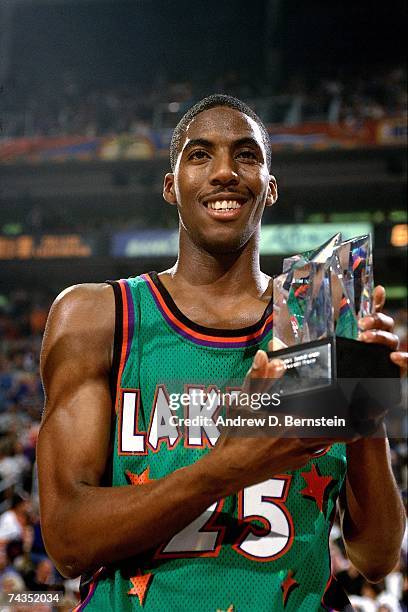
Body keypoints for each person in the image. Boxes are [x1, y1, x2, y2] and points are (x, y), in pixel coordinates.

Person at [37, 95, 406, 611]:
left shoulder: (319, 320)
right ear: (171, 185)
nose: (226, 172)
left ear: (270, 188)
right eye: (200, 154)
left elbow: (376, 555)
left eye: (248, 156)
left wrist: (366, 409)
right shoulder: (98, 315)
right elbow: (68, 541)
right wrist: (230, 467)